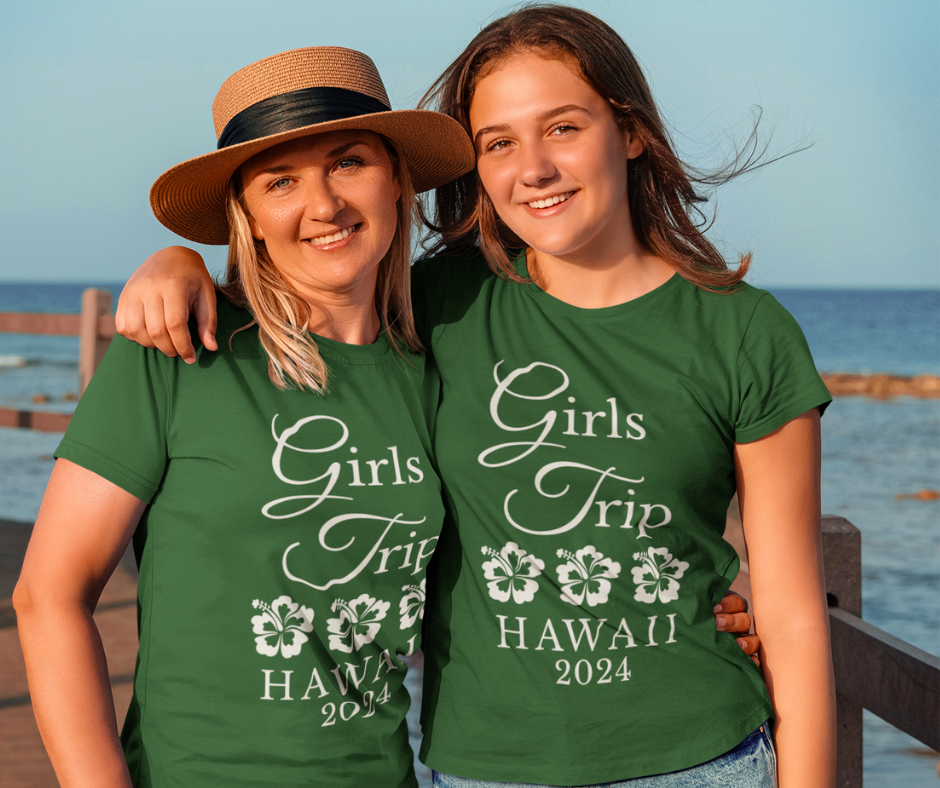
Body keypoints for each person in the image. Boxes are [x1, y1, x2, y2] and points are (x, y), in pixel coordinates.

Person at [115, 5, 832, 787]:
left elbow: (794, 616)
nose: (535, 168)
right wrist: (178, 262)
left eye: (563, 127)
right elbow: (307, 290)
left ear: (630, 131)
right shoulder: (439, 306)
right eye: (498, 143)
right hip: (484, 769)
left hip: (702, 762)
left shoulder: (744, 331)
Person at [13, 46, 477, 787]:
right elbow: (49, 596)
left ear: (397, 179)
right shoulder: (179, 352)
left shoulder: (438, 366)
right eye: (281, 180)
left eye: (349, 162)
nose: (324, 205)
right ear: (249, 216)